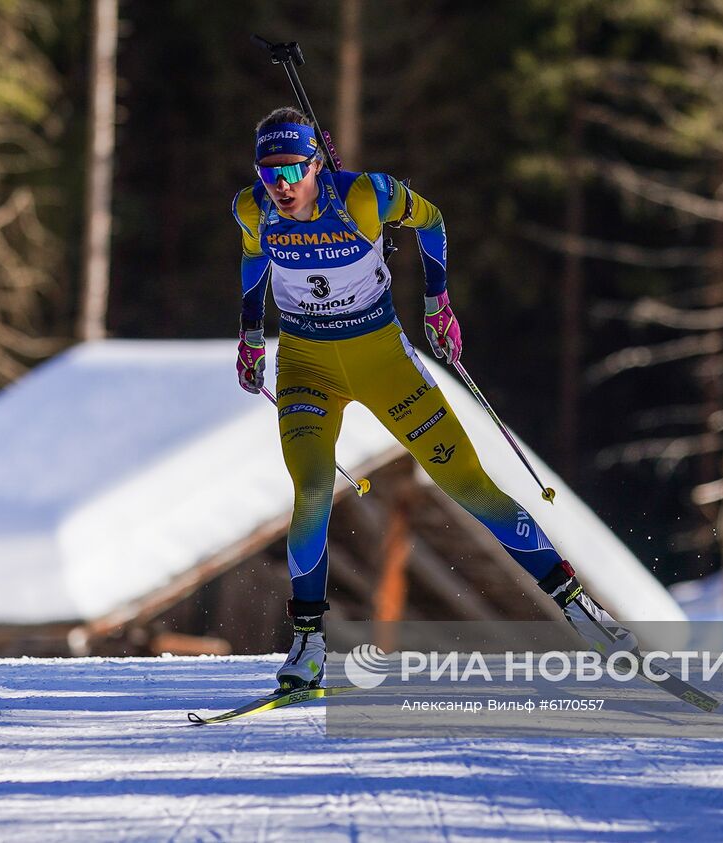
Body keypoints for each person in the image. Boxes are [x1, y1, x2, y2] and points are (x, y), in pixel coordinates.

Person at [232, 107, 631, 691]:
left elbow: (433, 220)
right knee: (313, 492)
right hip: (305, 365)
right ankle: (309, 646)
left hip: (384, 361)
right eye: (270, 174)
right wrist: (248, 337)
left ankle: (577, 606)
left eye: (293, 169)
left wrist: (439, 303)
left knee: (467, 483)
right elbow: (251, 258)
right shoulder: (253, 207)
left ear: (317, 163)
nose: (283, 185)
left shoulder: (366, 197)